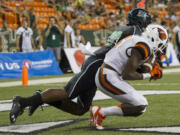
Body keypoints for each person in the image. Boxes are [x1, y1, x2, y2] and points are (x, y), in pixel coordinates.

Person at [9, 8, 152, 124]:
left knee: (80, 109)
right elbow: (129, 54)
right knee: (67, 93)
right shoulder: (134, 31)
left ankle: (39, 97)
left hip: (98, 62)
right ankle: (22, 102)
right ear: (142, 21)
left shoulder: (125, 29)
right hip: (98, 63)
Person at [90, 24, 168, 130]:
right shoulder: (144, 46)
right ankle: (99, 112)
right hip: (108, 76)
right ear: (154, 38)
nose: (159, 46)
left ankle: (99, 112)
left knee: (140, 107)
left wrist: (149, 65)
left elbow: (137, 67)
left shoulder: (137, 39)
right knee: (140, 104)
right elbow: (128, 74)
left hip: (108, 73)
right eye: (160, 42)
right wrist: (150, 75)